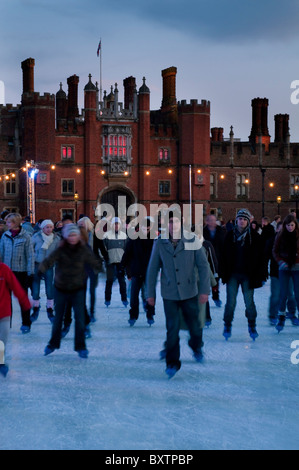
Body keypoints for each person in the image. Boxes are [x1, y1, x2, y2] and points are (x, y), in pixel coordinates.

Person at [146, 209, 210, 379]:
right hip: (170, 293)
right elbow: (152, 269)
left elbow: (203, 267)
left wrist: (204, 290)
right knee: (172, 329)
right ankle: (172, 362)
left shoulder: (192, 239)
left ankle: (196, 346)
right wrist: (149, 293)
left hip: (190, 291)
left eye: (175, 222)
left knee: (195, 327)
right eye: (169, 222)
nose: (172, 225)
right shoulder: (160, 242)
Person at [40, 224, 103, 358]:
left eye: (75, 235)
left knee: (80, 319)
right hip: (61, 288)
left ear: (78, 236)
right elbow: (48, 261)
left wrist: (99, 268)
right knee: (58, 319)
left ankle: (81, 347)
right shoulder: (61, 249)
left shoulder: (83, 249)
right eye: (70, 235)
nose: (73, 238)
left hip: (77, 289)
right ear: (67, 236)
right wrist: (41, 270)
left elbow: (94, 261)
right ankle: (52, 344)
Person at [221, 208, 266, 341]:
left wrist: (261, 275)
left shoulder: (255, 237)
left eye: (244, 219)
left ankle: (252, 325)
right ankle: (227, 325)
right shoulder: (230, 236)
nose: (242, 221)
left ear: (248, 221)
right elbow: (223, 256)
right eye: (240, 219)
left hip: (248, 275)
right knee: (231, 302)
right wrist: (223, 273)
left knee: (249, 302)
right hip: (233, 274)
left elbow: (261, 257)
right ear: (237, 220)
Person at [0, 213, 34, 333]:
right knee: (5, 298)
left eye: (8, 222)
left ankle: (26, 322)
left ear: (15, 223)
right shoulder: (5, 235)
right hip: (6, 272)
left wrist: (30, 272)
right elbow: (1, 253)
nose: (6, 224)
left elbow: (30, 255)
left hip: (21, 272)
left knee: (22, 297)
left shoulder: (26, 237)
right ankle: (5, 323)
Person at [121, 217, 155, 327]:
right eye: (145, 227)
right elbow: (127, 255)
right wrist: (123, 267)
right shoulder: (133, 239)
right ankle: (133, 315)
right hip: (136, 271)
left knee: (149, 294)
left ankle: (150, 314)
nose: (147, 230)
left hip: (149, 272)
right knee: (134, 296)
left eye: (148, 228)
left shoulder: (154, 240)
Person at [0, 261, 32, 377]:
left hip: (3, 312)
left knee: (2, 340)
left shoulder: (4, 269)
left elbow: (16, 287)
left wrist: (25, 303)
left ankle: (0, 362)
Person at [265, 221, 297, 326]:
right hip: (276, 273)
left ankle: (292, 315)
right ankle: (273, 315)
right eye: (279, 229)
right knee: (276, 295)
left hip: (289, 272)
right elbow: (265, 256)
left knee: (290, 295)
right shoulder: (271, 241)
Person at [272, 214, 299, 332]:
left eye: (292, 225)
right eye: (288, 225)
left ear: (295, 225)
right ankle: (281, 317)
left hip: (297, 268)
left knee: (297, 294)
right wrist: (280, 262)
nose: (290, 227)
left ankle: (294, 315)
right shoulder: (280, 235)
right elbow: (275, 251)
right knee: (283, 294)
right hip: (284, 268)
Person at [31, 219, 60, 323]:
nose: (49, 229)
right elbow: (31, 249)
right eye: (46, 227)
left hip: (49, 265)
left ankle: (50, 308)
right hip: (37, 265)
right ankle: (35, 307)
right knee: (35, 288)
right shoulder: (36, 237)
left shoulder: (56, 239)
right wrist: (34, 258)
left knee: (49, 287)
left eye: (50, 227)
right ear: (42, 228)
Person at [102, 217, 128, 307]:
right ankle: (107, 299)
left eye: (118, 224)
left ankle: (124, 299)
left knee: (122, 281)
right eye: (115, 224)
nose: (116, 225)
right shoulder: (106, 235)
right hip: (110, 261)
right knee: (109, 281)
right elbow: (103, 249)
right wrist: (105, 258)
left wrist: (126, 261)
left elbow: (127, 249)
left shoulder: (124, 235)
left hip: (121, 262)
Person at [203, 214, 226, 307]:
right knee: (204, 280)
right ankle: (205, 298)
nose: (212, 222)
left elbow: (224, 245)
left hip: (218, 259)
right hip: (206, 258)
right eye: (210, 220)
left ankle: (215, 296)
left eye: (214, 220)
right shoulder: (203, 232)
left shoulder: (221, 231)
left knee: (216, 280)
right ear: (207, 222)